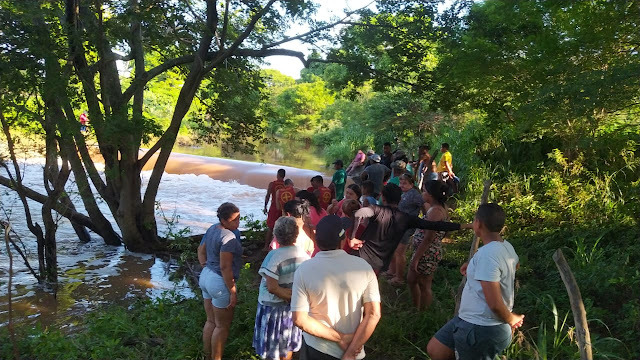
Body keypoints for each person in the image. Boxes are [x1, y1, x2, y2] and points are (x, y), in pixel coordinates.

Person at [427, 203, 523, 360]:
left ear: (478, 223)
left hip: (481, 327)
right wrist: (474, 268)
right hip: (469, 320)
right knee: (436, 349)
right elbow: (514, 265)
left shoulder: (487, 255)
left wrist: (512, 319)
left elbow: (494, 304)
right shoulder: (505, 246)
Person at [291, 215, 382, 360]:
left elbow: (300, 320)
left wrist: (340, 338)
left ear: (316, 240)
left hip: (317, 348)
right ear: (344, 238)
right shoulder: (363, 267)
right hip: (355, 349)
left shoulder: (304, 270)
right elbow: (373, 314)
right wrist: (351, 352)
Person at [349, 183, 468, 274]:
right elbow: (437, 225)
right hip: (379, 264)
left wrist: (352, 237)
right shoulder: (406, 218)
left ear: (383, 198)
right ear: (400, 200)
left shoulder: (375, 209)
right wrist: (465, 225)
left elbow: (358, 214)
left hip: (360, 257)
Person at [254, 216, 310, 360]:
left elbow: (271, 287)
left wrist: (286, 296)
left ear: (276, 235)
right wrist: (294, 297)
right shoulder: (304, 255)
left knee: (271, 350)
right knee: (287, 345)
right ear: (296, 234)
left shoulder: (274, 255)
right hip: (292, 309)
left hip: (272, 308)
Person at [198, 203, 243, 360]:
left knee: (211, 321)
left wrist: (205, 265)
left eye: (239, 218)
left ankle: (206, 355)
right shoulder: (229, 237)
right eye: (234, 220)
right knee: (222, 326)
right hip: (218, 281)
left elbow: (201, 250)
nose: (238, 223)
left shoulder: (212, 228)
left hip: (206, 276)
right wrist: (232, 291)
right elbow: (225, 267)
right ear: (224, 220)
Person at [407, 180, 449, 311]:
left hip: (427, 253)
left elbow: (428, 238)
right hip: (428, 251)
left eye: (424, 191)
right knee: (418, 281)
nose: (422, 194)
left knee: (420, 282)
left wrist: (416, 258)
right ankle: (419, 309)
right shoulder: (438, 207)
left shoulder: (435, 212)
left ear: (431, 194)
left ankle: (421, 311)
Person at [387, 173, 424, 285]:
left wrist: (426, 220)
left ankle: (399, 278)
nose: (401, 185)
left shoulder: (414, 195)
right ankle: (392, 271)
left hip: (406, 227)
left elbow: (424, 205)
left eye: (404, 183)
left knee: (400, 252)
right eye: (401, 183)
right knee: (393, 249)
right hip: (398, 225)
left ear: (411, 184)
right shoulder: (404, 193)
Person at [264, 169, 287, 249]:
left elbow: (267, 196)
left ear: (277, 175)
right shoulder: (286, 185)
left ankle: (266, 246)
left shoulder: (272, 184)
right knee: (281, 227)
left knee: (270, 227)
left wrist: (265, 207)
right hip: (283, 208)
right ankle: (278, 246)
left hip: (274, 207)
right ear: (284, 176)